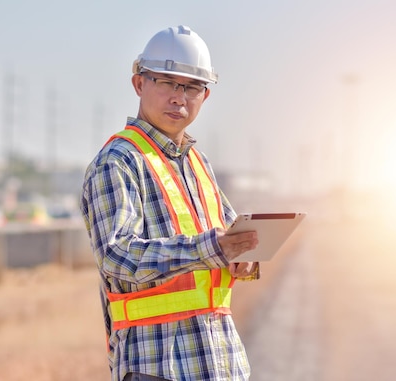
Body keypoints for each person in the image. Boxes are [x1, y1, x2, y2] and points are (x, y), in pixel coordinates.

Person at [80, 25, 260, 381]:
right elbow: (117, 256)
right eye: (167, 82)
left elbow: (227, 238)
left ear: (204, 96)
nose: (179, 97)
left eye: (191, 86)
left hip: (219, 363)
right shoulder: (117, 162)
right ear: (139, 84)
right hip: (158, 365)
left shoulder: (198, 163)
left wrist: (245, 257)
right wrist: (211, 248)